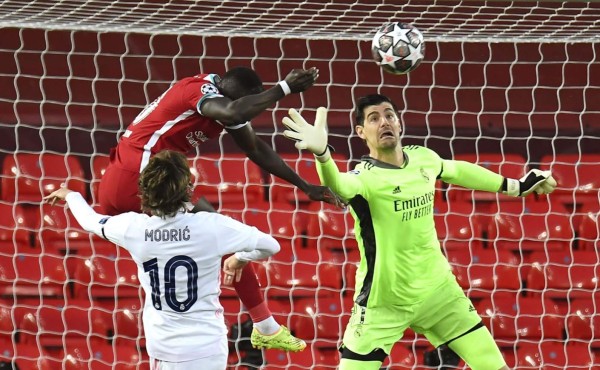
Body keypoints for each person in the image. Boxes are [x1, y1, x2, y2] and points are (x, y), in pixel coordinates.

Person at [281, 94, 557, 370]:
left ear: (399, 124)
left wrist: (515, 186)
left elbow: (457, 170)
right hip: (383, 303)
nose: (384, 122)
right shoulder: (363, 177)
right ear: (361, 132)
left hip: (438, 292)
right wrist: (323, 155)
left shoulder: (424, 158)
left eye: (389, 115)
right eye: (374, 118)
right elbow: (338, 186)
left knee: (493, 365)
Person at [98, 66, 343, 351]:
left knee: (204, 244)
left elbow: (255, 149)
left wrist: (305, 186)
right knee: (223, 237)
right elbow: (234, 112)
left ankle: (257, 327)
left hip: (135, 178)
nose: (250, 111)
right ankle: (263, 327)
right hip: (140, 176)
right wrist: (283, 89)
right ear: (239, 94)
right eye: (251, 103)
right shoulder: (198, 90)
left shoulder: (225, 105)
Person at [44, 150, 281, 370]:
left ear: (145, 192)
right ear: (187, 190)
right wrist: (240, 257)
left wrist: (71, 195)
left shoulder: (133, 228)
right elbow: (271, 245)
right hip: (207, 346)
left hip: (162, 345)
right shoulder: (212, 226)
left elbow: (90, 221)